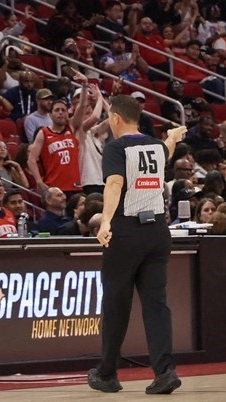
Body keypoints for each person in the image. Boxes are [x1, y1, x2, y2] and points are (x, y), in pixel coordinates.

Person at [89, 95, 188, 395]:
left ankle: (107, 374)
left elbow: (115, 183)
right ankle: (165, 372)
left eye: (108, 116)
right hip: (158, 231)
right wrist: (172, 137)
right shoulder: (156, 146)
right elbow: (166, 150)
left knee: (116, 304)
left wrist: (105, 222)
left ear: (116, 118)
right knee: (156, 304)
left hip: (126, 232)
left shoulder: (116, 148)